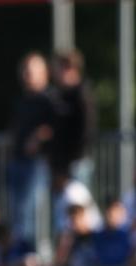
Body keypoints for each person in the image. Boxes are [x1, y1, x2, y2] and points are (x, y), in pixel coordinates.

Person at [7, 52, 55, 245]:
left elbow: (54, 126)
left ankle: (36, 253)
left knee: (33, 214)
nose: (27, 75)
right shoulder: (22, 100)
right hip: (18, 162)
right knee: (18, 214)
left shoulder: (50, 99)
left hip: (38, 164)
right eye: (25, 71)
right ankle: (23, 253)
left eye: (32, 71)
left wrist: (37, 138)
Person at [48, 50, 97, 188]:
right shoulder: (59, 94)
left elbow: (87, 129)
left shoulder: (82, 94)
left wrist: (74, 160)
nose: (54, 73)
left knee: (76, 205)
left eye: (57, 68)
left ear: (69, 68)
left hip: (76, 164)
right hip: (62, 164)